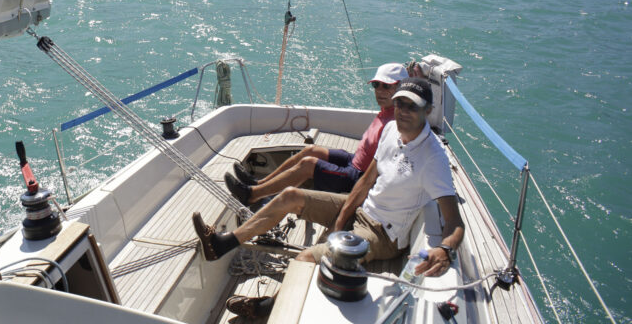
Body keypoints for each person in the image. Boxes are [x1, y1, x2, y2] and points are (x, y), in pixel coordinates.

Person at [194, 77, 464, 289]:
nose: (403, 111)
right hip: (362, 210)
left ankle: (269, 305)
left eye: (412, 106)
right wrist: (341, 219)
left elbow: (454, 221)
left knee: (305, 258)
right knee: (289, 196)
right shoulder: (392, 129)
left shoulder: (433, 158)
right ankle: (223, 244)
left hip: (384, 236)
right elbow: (367, 180)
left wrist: (446, 249)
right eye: (400, 104)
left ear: (428, 110)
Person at [223, 63, 409, 207]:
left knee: (308, 164)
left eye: (386, 86)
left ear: (401, 88)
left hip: (359, 176)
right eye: (376, 85)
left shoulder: (397, 122)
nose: (379, 91)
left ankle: (251, 195)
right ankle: (259, 183)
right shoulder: (386, 110)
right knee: (310, 150)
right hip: (354, 160)